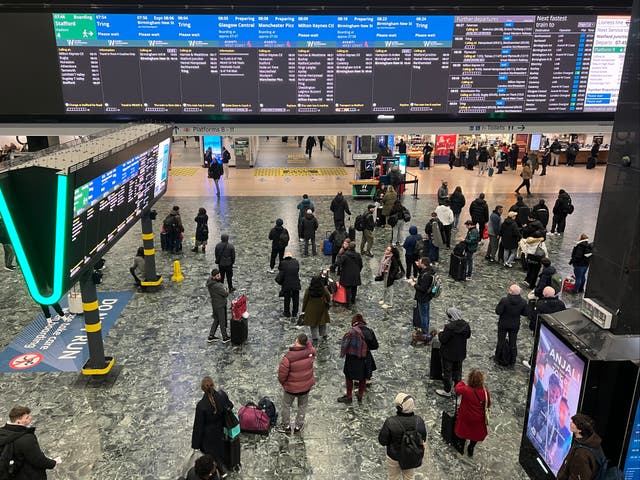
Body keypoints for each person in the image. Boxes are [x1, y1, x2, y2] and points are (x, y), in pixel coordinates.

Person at [0, 405, 60, 480]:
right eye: (27, 418)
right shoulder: (26, 438)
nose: (30, 418)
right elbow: (38, 460)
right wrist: (53, 463)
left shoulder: (2, 432)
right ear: (18, 422)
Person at [378, 393, 427, 480]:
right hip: (411, 456)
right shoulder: (419, 421)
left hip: (394, 457)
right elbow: (423, 438)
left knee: (393, 477)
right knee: (409, 477)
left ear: (398, 407)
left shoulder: (390, 422)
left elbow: (382, 441)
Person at [191, 377, 233, 476]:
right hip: (221, 432)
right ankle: (226, 469)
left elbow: (198, 427)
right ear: (213, 385)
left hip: (208, 438)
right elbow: (230, 406)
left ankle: (218, 473)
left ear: (203, 389)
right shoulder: (222, 396)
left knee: (212, 457)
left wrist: (195, 445)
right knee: (221, 451)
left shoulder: (201, 405)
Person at [277, 333, 316, 434]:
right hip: (306, 387)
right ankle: (298, 426)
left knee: (286, 405)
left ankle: (286, 426)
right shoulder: (310, 352)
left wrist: (284, 384)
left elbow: (282, 374)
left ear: (297, 341)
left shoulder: (288, 357)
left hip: (291, 388)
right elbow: (311, 346)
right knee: (302, 406)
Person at [338, 314, 378, 403]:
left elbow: (344, 346)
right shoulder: (369, 331)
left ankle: (349, 397)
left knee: (349, 377)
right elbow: (375, 346)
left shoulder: (351, 332)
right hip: (365, 358)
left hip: (351, 359)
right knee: (363, 377)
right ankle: (360, 395)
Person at [435, 308, 471, 398]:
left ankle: (447, 391)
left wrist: (440, 333)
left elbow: (443, 339)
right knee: (458, 372)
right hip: (460, 354)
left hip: (448, 354)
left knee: (447, 372)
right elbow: (468, 336)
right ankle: (458, 389)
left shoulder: (449, 327)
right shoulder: (466, 325)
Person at [454, 370, 491, 457]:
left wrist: (461, 382)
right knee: (475, 434)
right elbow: (488, 404)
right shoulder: (485, 392)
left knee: (463, 432)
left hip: (466, 417)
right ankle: (471, 448)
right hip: (478, 419)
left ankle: (461, 447)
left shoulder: (466, 390)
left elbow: (457, 388)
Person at [556, 413, 603, 480]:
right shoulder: (590, 442)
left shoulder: (581, 454)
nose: (571, 423)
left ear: (580, 429)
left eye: (574, 423)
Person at [494, 284, 528, 367]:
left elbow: (498, 311)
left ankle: (497, 358)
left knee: (501, 341)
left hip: (503, 324)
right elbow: (525, 313)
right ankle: (512, 360)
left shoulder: (504, 300)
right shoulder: (523, 302)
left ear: (510, 291)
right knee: (513, 342)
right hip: (515, 324)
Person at [302, 276, 331, 343]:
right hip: (322, 307)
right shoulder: (323, 289)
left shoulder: (309, 290)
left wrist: (303, 310)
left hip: (311, 309)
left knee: (313, 323)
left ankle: (315, 337)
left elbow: (305, 300)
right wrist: (327, 302)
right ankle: (324, 334)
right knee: (322, 321)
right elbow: (328, 296)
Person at [410, 257, 436, 333]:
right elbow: (421, 274)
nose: (418, 263)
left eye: (420, 262)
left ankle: (424, 331)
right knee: (426, 313)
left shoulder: (426, 275)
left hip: (422, 297)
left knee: (423, 315)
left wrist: (414, 284)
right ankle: (425, 328)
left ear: (423, 264)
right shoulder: (430, 270)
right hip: (427, 297)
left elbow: (422, 289)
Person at [335, 242, 363, 308]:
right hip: (355, 273)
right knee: (354, 287)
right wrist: (358, 271)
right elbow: (361, 264)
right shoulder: (358, 255)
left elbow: (338, 262)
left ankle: (348, 303)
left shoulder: (345, 255)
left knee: (348, 288)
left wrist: (333, 266)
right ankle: (353, 300)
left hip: (347, 274)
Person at [206, 269, 230, 344]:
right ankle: (225, 337)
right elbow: (226, 293)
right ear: (214, 277)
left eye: (219, 275)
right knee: (222, 321)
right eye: (218, 276)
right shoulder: (217, 286)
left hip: (215, 304)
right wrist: (225, 289)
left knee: (216, 320)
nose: (220, 276)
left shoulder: (210, 282)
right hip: (220, 305)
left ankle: (211, 335)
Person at [277, 251, 301, 318]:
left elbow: (280, 269)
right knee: (296, 299)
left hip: (286, 284)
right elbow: (297, 269)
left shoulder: (283, 263)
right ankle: (295, 313)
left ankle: (287, 312)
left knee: (287, 299)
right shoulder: (296, 262)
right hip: (296, 283)